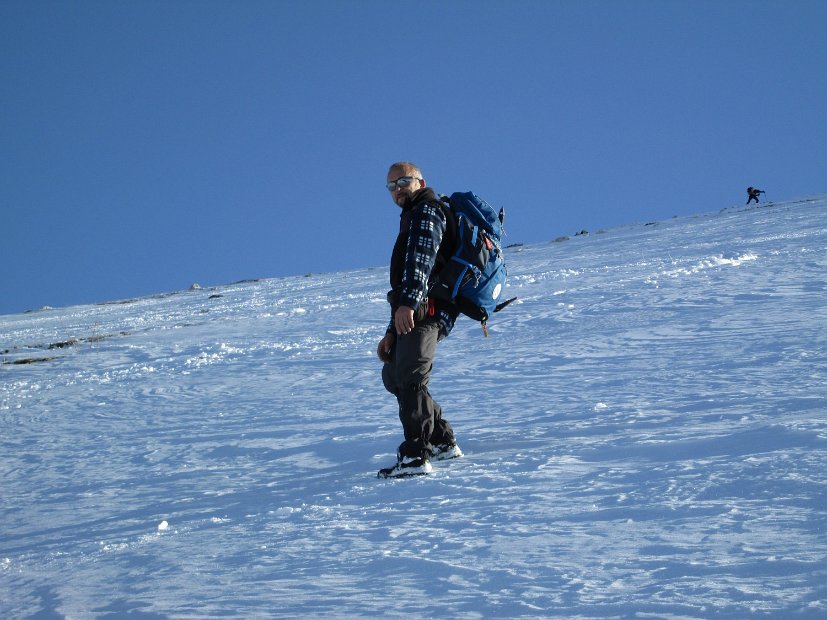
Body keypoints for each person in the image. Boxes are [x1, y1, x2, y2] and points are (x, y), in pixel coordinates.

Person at [376, 162, 463, 477]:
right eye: (391, 186)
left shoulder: (427, 210)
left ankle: (416, 456)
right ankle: (442, 441)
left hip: (425, 309)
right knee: (394, 377)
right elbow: (405, 278)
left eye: (403, 181)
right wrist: (391, 331)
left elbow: (420, 262)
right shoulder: (411, 215)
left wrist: (409, 304)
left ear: (420, 181)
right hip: (414, 308)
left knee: (411, 377)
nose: (397, 189)